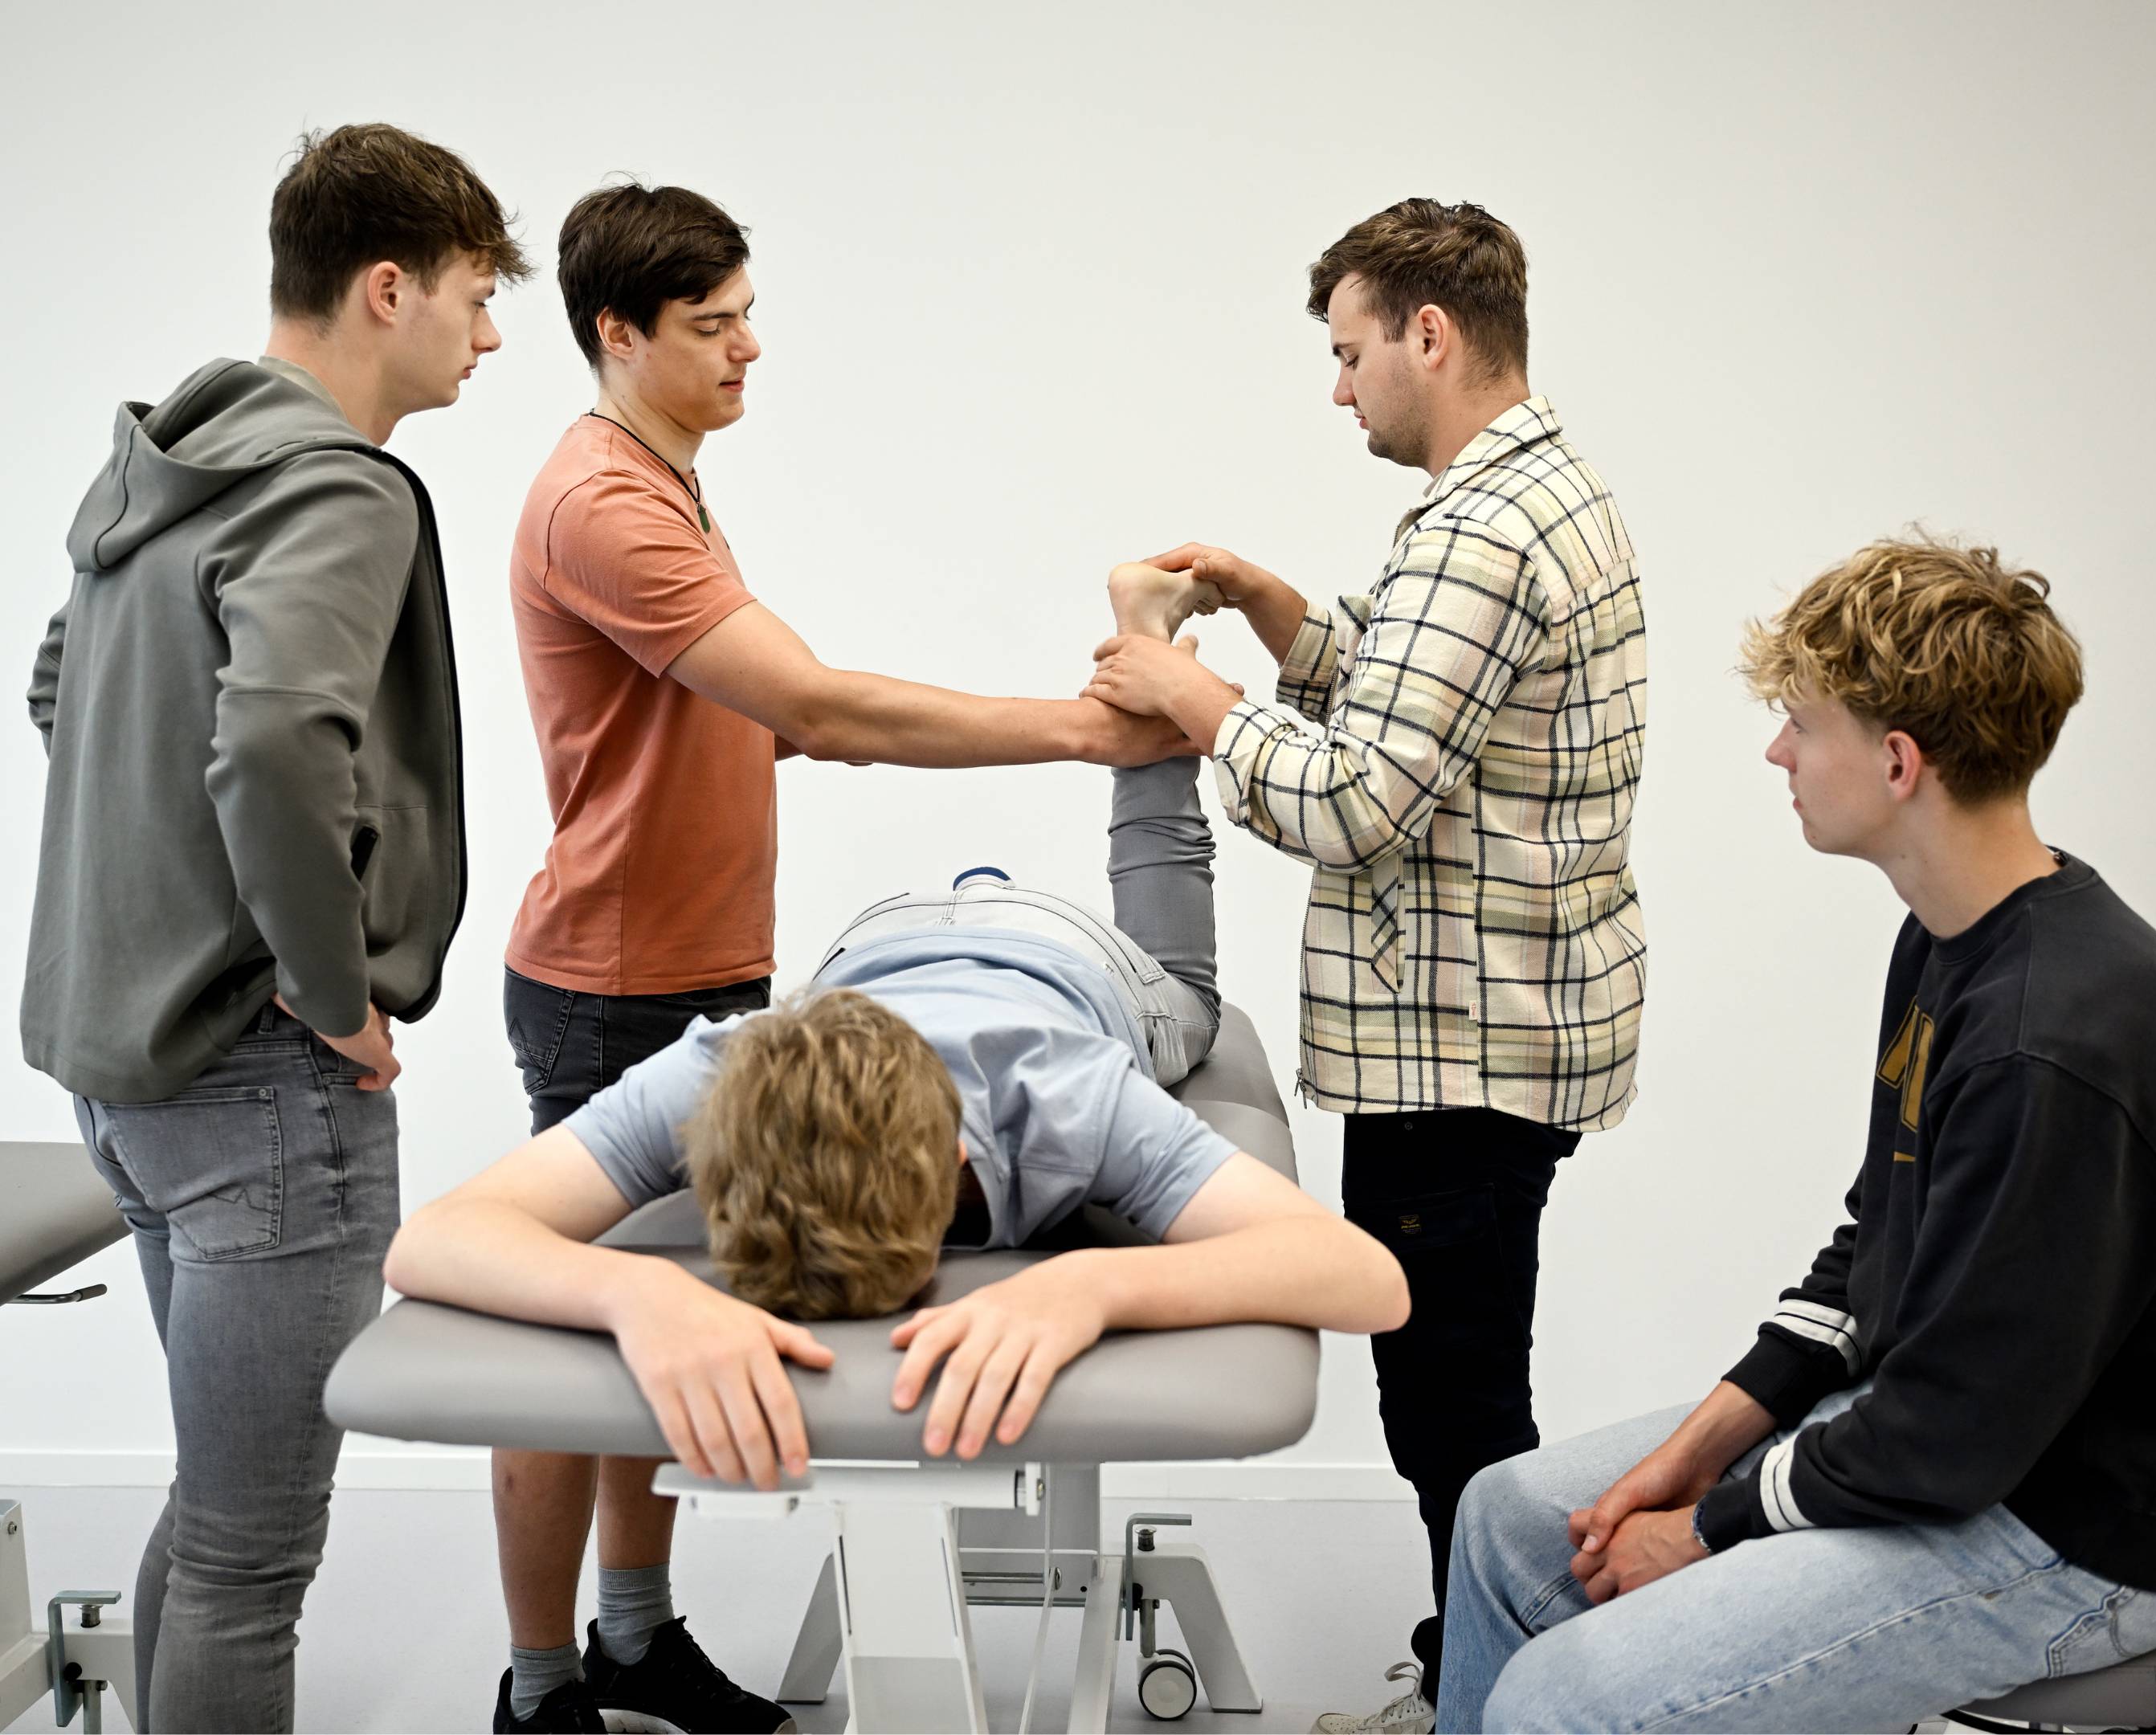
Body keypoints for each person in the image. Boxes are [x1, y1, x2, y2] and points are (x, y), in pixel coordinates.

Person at [489, 179, 1204, 1733]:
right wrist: (1087, 732)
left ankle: (632, 1639)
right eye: (713, 324)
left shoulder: (663, 474)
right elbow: (816, 710)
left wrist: (808, 732)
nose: (752, 348)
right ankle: (541, 1691)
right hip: (615, 983)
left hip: (697, 967)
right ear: (619, 335)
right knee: (570, 1345)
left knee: (667, 1316)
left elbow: (746, 725)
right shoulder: (605, 501)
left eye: (751, 312)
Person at [386, 751, 1412, 1731]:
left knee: (1190, 1002)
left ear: (965, 1154)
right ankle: (582, 1664)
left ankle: (1149, 724)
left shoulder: (1062, 1096)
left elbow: (1368, 1280)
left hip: (1073, 955)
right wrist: (632, 1294)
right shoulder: (718, 1071)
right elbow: (434, 1240)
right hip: (870, 948)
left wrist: (1095, 1286)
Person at [1435, 536, 2156, 1733]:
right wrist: (1706, 1439)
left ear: (1895, 762)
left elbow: (1954, 1435)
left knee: (1567, 1697)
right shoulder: (1950, 936)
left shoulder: (2055, 1041)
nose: (1778, 750)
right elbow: (1879, 1238)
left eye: (1802, 723)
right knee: (1511, 1522)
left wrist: (1712, 1523)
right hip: (1949, 1434)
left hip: (2069, 1520)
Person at [1084, 198, 1646, 1733]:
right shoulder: (1539, 491)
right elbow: (1430, 709)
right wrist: (1282, 623)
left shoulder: (1480, 527)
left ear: (1430, 335)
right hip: (1513, 1026)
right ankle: (1480, 1669)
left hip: (1460, 1049)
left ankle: (1490, 1698)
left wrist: (1192, 700)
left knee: (1452, 1401)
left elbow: (1355, 800)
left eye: (1349, 357)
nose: (1340, 392)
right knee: (1463, 1383)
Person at [20, 124, 527, 1731]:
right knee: (255, 1558)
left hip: (131, 1078)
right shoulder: (340, 488)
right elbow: (269, 737)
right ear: (389, 289)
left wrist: (165, 862)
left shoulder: (160, 470)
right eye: (472, 295)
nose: (492, 334)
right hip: (260, 1087)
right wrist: (330, 989)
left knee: (217, 1519)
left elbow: (59, 683)